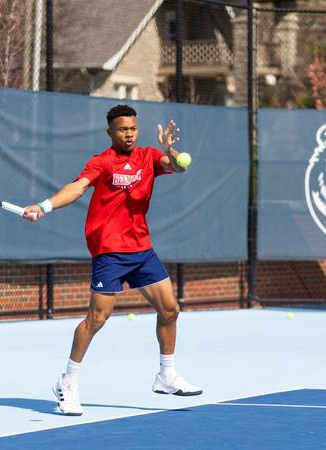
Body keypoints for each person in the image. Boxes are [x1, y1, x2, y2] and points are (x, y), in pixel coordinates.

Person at [22, 104, 202, 416]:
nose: (128, 134)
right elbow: (77, 188)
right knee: (98, 318)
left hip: (141, 248)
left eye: (132, 128)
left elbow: (178, 167)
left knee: (170, 309)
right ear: (110, 132)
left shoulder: (148, 157)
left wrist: (169, 150)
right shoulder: (102, 162)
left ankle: (166, 375)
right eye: (122, 129)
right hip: (108, 249)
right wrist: (45, 205)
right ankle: (67, 381)